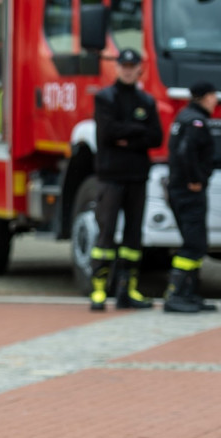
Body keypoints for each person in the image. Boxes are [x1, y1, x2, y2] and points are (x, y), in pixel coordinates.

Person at [88, 48, 163, 311]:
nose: (128, 69)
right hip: (111, 177)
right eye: (124, 65)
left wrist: (128, 135)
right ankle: (98, 290)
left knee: (133, 237)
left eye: (133, 65)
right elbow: (108, 133)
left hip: (137, 176)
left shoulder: (147, 100)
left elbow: (156, 137)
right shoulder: (105, 98)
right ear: (117, 68)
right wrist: (137, 133)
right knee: (106, 233)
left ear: (139, 68)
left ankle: (127, 290)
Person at [164, 81, 219, 313]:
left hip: (180, 190)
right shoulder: (196, 121)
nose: (215, 100)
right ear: (205, 97)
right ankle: (176, 294)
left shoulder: (184, 117)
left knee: (195, 243)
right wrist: (195, 179)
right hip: (189, 192)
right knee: (194, 245)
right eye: (214, 96)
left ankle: (189, 293)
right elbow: (186, 152)